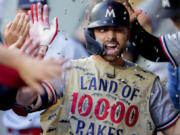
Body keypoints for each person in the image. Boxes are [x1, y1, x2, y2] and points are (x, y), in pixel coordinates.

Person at [15, 1, 180, 135]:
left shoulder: (149, 84)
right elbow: (26, 102)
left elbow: (173, 128)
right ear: (91, 34)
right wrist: (29, 66)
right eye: (103, 29)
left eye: (118, 30)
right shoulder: (69, 71)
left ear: (128, 35)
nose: (111, 37)